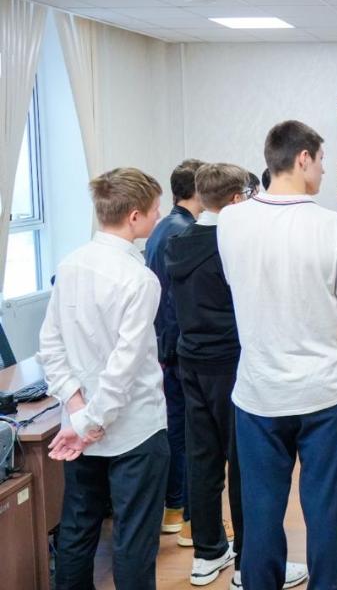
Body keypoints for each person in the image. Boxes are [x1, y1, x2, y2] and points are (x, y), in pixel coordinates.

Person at [218, 121, 337, 590]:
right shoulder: (336, 228)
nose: (324, 170)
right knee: (324, 508)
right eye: (322, 160)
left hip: (258, 392)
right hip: (324, 392)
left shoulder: (230, 221)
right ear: (303, 158)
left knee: (261, 509)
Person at [167, 164, 308, 588]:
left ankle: (207, 553)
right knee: (246, 465)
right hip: (231, 363)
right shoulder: (231, 244)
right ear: (235, 199)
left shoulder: (178, 241)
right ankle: (250, 565)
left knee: (202, 459)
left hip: (190, 360)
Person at [38, 168, 170, 589]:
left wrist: (78, 412)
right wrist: (91, 421)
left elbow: (50, 346)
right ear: (134, 216)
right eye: (155, 208)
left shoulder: (70, 265)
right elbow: (123, 368)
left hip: (80, 430)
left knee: (77, 532)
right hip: (134, 430)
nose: (160, 214)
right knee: (134, 542)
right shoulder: (140, 280)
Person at [145, 157, 204, 540]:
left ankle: (175, 508)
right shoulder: (185, 233)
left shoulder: (162, 228)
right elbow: (175, 300)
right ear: (198, 189)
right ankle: (184, 514)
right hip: (179, 346)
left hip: (164, 344)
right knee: (188, 433)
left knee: (178, 428)